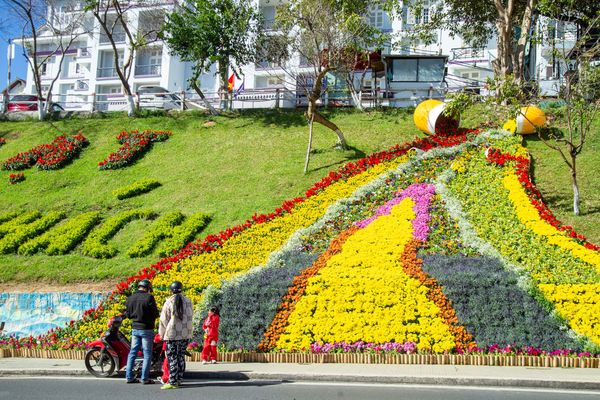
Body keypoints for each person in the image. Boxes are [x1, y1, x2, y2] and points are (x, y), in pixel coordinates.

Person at [158, 281, 193, 390]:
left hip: (172, 334)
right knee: (181, 357)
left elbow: (164, 320)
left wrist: (161, 334)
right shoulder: (188, 301)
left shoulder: (169, 301)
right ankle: (179, 379)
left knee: (172, 357)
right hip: (185, 334)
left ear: (171, 290)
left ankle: (172, 381)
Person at [125, 279, 159, 384]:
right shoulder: (149, 297)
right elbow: (155, 314)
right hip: (147, 329)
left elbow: (128, 315)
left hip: (135, 328)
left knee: (132, 352)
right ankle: (145, 378)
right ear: (148, 288)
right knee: (147, 353)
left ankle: (129, 377)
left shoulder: (130, 298)